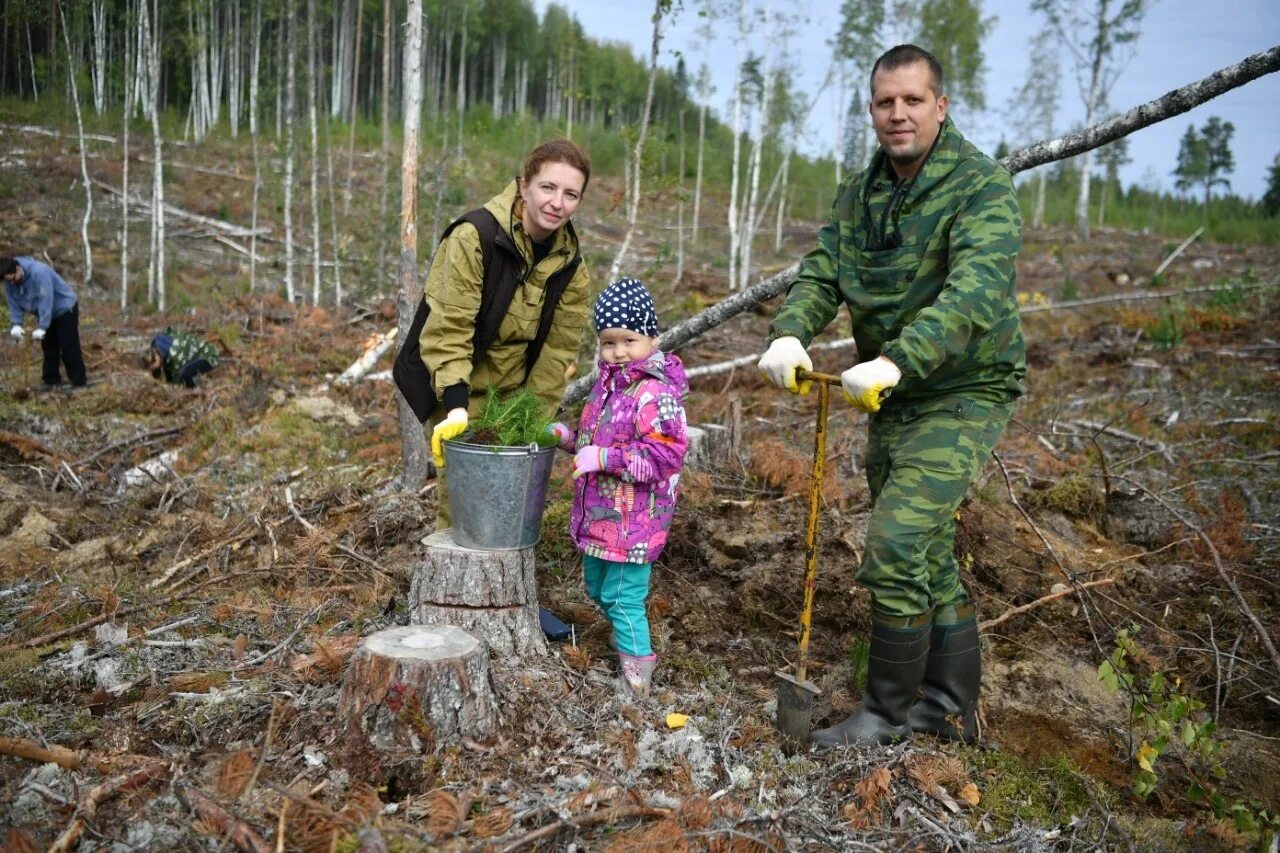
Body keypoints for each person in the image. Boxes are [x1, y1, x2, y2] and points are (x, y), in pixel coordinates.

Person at [757, 44, 1026, 747]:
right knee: (927, 548)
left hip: (964, 384)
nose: (897, 114)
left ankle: (884, 713)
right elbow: (823, 271)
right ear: (871, 110)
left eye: (912, 100)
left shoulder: (980, 187)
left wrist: (898, 358)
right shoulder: (860, 192)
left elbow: (976, 292)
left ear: (941, 105)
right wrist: (792, 331)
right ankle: (945, 707)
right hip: (894, 392)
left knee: (900, 538)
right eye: (885, 102)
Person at [421, 138, 593, 530]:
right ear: (524, 185)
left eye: (571, 194)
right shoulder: (474, 237)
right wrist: (455, 405)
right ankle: (455, 584)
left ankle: (505, 588)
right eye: (548, 188)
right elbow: (450, 327)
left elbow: (557, 351)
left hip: (515, 394)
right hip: (460, 387)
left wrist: (529, 416)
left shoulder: (571, 267)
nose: (557, 203)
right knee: (463, 507)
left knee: (510, 509)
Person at [549, 278, 689, 698]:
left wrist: (605, 459)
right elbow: (595, 443)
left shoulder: (656, 394)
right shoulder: (607, 388)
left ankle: (637, 671)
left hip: (636, 523)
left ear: (652, 337)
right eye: (608, 343)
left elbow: (665, 457)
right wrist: (568, 439)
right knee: (596, 587)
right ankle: (627, 638)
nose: (618, 351)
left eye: (629, 339)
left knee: (624, 596)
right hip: (602, 519)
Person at [3, 255, 87, 390]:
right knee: (48, 346)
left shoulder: (39, 273)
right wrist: (16, 324)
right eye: (8, 281)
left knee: (68, 345)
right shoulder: (9, 280)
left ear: (18, 269)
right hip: (45, 313)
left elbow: (45, 300)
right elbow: (13, 303)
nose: (12, 283)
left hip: (64, 307)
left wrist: (43, 326)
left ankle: (78, 382)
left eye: (13, 279)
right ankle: (51, 381)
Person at [144, 329, 220, 388]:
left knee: (183, 374)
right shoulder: (156, 344)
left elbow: (177, 382)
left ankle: (195, 392)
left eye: (152, 365)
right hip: (188, 352)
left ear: (157, 357)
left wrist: (170, 387)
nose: (151, 369)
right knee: (166, 371)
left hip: (207, 356)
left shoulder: (175, 354)